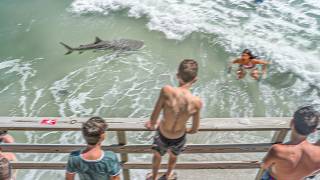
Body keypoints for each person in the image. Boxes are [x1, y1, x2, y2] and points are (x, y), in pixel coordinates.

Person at [145, 59, 202, 180]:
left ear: (177, 76)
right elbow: (194, 129)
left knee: (157, 155)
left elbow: (154, 117)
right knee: (173, 156)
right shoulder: (196, 102)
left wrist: (152, 124)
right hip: (179, 137)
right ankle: (169, 174)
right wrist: (185, 129)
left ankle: (154, 177)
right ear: (195, 79)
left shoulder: (166, 91)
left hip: (162, 134)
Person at [261, 105, 320, 180]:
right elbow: (316, 171)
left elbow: (264, 165)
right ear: (314, 130)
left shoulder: (277, 150)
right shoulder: (318, 154)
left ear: (291, 122)